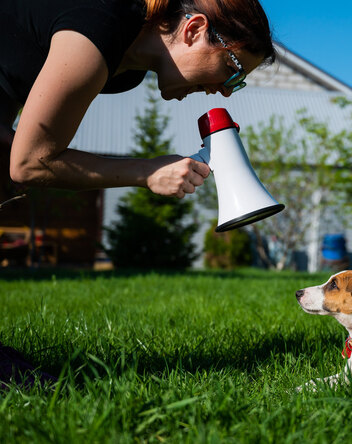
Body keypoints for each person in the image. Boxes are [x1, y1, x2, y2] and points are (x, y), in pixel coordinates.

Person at [0, 0, 275, 387]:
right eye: (232, 70)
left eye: (237, 82)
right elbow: (30, 162)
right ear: (194, 29)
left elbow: (9, 84)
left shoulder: (125, 71)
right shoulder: (104, 21)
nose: (226, 92)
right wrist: (146, 171)